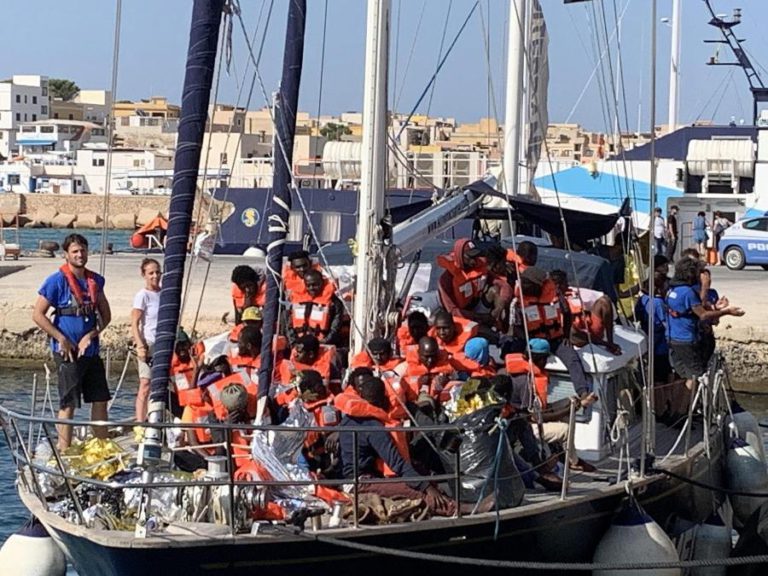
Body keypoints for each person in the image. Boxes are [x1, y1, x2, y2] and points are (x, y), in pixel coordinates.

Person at [32, 234, 112, 450]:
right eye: (75, 251)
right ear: (66, 254)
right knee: (69, 403)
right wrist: (61, 339)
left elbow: (106, 316)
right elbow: (38, 315)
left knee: (100, 398)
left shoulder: (96, 281)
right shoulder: (55, 282)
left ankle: (102, 447)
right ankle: (64, 450)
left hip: (91, 351)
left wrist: (92, 335)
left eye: (83, 250)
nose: (80, 255)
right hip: (67, 352)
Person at [337, 376, 455, 516]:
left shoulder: (347, 420)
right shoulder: (372, 426)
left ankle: (450, 500)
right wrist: (427, 487)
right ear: (384, 397)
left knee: (420, 470)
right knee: (414, 492)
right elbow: (396, 463)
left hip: (356, 477)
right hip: (361, 483)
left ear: (361, 396)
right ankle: (454, 509)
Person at [666, 257, 744, 417]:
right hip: (687, 339)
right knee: (696, 376)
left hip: (673, 337)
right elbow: (703, 315)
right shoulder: (687, 292)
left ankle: (674, 411)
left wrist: (714, 306)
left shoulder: (671, 289)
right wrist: (727, 311)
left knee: (682, 377)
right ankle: (682, 414)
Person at [130, 258, 161, 422]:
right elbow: (134, 322)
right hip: (148, 343)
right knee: (145, 384)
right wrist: (140, 345)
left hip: (163, 344)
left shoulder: (164, 294)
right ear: (144, 275)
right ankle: (140, 422)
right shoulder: (143, 296)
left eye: (157, 272)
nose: (155, 276)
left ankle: (156, 417)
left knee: (162, 383)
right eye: (151, 273)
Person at [436, 238, 489, 322]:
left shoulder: (479, 267)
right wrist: (478, 317)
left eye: (476, 256)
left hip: (475, 305)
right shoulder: (446, 280)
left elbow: (498, 281)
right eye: (470, 257)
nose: (474, 260)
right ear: (460, 256)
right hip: (457, 315)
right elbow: (452, 310)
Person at [287, 269, 345, 347]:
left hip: (323, 345)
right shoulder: (296, 300)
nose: (311, 288)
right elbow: (290, 325)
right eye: (308, 285)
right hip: (299, 346)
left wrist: (321, 343)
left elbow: (335, 329)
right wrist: (294, 343)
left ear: (322, 283)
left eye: (315, 285)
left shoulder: (334, 303)